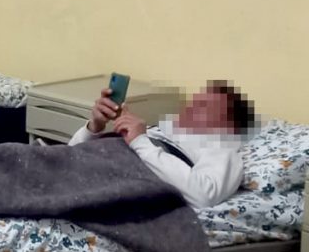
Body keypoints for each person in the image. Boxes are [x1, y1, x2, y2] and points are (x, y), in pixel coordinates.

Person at [69, 80, 255, 208]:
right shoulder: (160, 130)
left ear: (228, 125)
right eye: (194, 102)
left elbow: (203, 195)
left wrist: (140, 141)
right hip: (86, 165)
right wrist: (94, 127)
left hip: (114, 173)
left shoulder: (220, 149)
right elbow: (69, 156)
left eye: (203, 107)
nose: (190, 108)